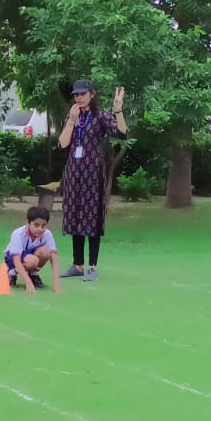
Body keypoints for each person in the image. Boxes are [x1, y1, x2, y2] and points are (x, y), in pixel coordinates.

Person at [58, 79, 127, 280]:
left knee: (92, 216)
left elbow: (122, 133)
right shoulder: (73, 115)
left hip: (92, 173)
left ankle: (92, 267)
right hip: (74, 172)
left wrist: (118, 110)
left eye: (82, 94)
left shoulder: (100, 115)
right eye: (76, 94)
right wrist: (71, 121)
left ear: (92, 94)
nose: (79, 97)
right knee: (75, 215)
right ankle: (77, 265)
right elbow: (63, 143)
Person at [6, 205, 62, 294]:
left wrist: (57, 284)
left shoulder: (47, 234)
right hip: (13, 258)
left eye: (43, 226)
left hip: (31, 256)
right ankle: (12, 273)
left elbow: (53, 258)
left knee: (46, 252)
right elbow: (16, 260)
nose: (40, 229)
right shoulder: (18, 233)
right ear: (28, 223)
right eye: (36, 225)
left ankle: (33, 274)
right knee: (33, 261)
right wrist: (28, 283)